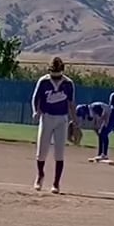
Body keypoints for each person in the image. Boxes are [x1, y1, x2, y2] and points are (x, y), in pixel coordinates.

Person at [31, 58, 74, 193]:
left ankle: (56, 183)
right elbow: (35, 98)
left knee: (59, 152)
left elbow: (71, 103)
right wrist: (35, 111)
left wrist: (75, 120)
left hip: (62, 119)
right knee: (42, 151)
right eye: (53, 72)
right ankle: (40, 175)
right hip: (47, 117)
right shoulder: (43, 81)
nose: (55, 75)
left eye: (58, 72)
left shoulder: (68, 83)